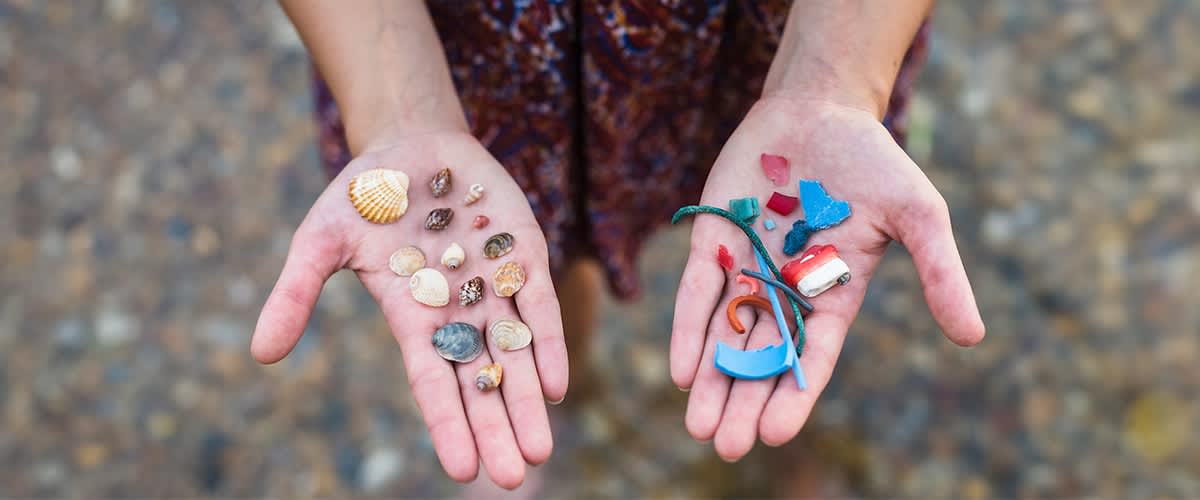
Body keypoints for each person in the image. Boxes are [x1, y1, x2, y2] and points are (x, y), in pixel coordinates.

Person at [251, 0, 986, 490]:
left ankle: (778, 396)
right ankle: (559, 394)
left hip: (768, 28)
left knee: (797, 250)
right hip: (470, 43)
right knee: (536, 243)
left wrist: (833, 78)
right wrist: (398, 108)